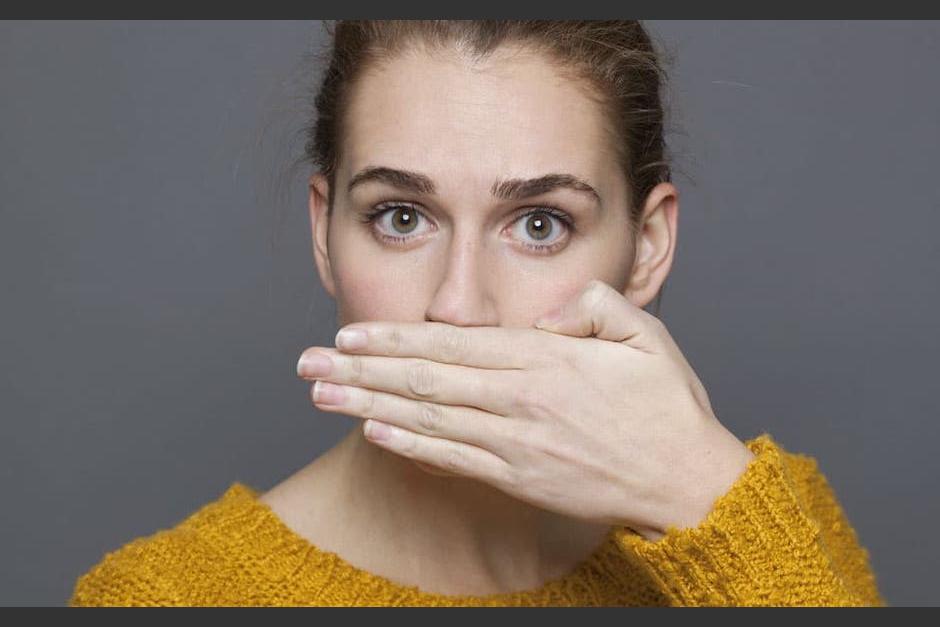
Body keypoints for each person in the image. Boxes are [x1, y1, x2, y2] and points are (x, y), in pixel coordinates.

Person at [69, 20, 885, 607]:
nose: (457, 307)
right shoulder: (165, 596)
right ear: (324, 231)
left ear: (646, 246)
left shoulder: (771, 521)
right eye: (401, 217)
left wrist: (704, 498)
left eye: (540, 225)